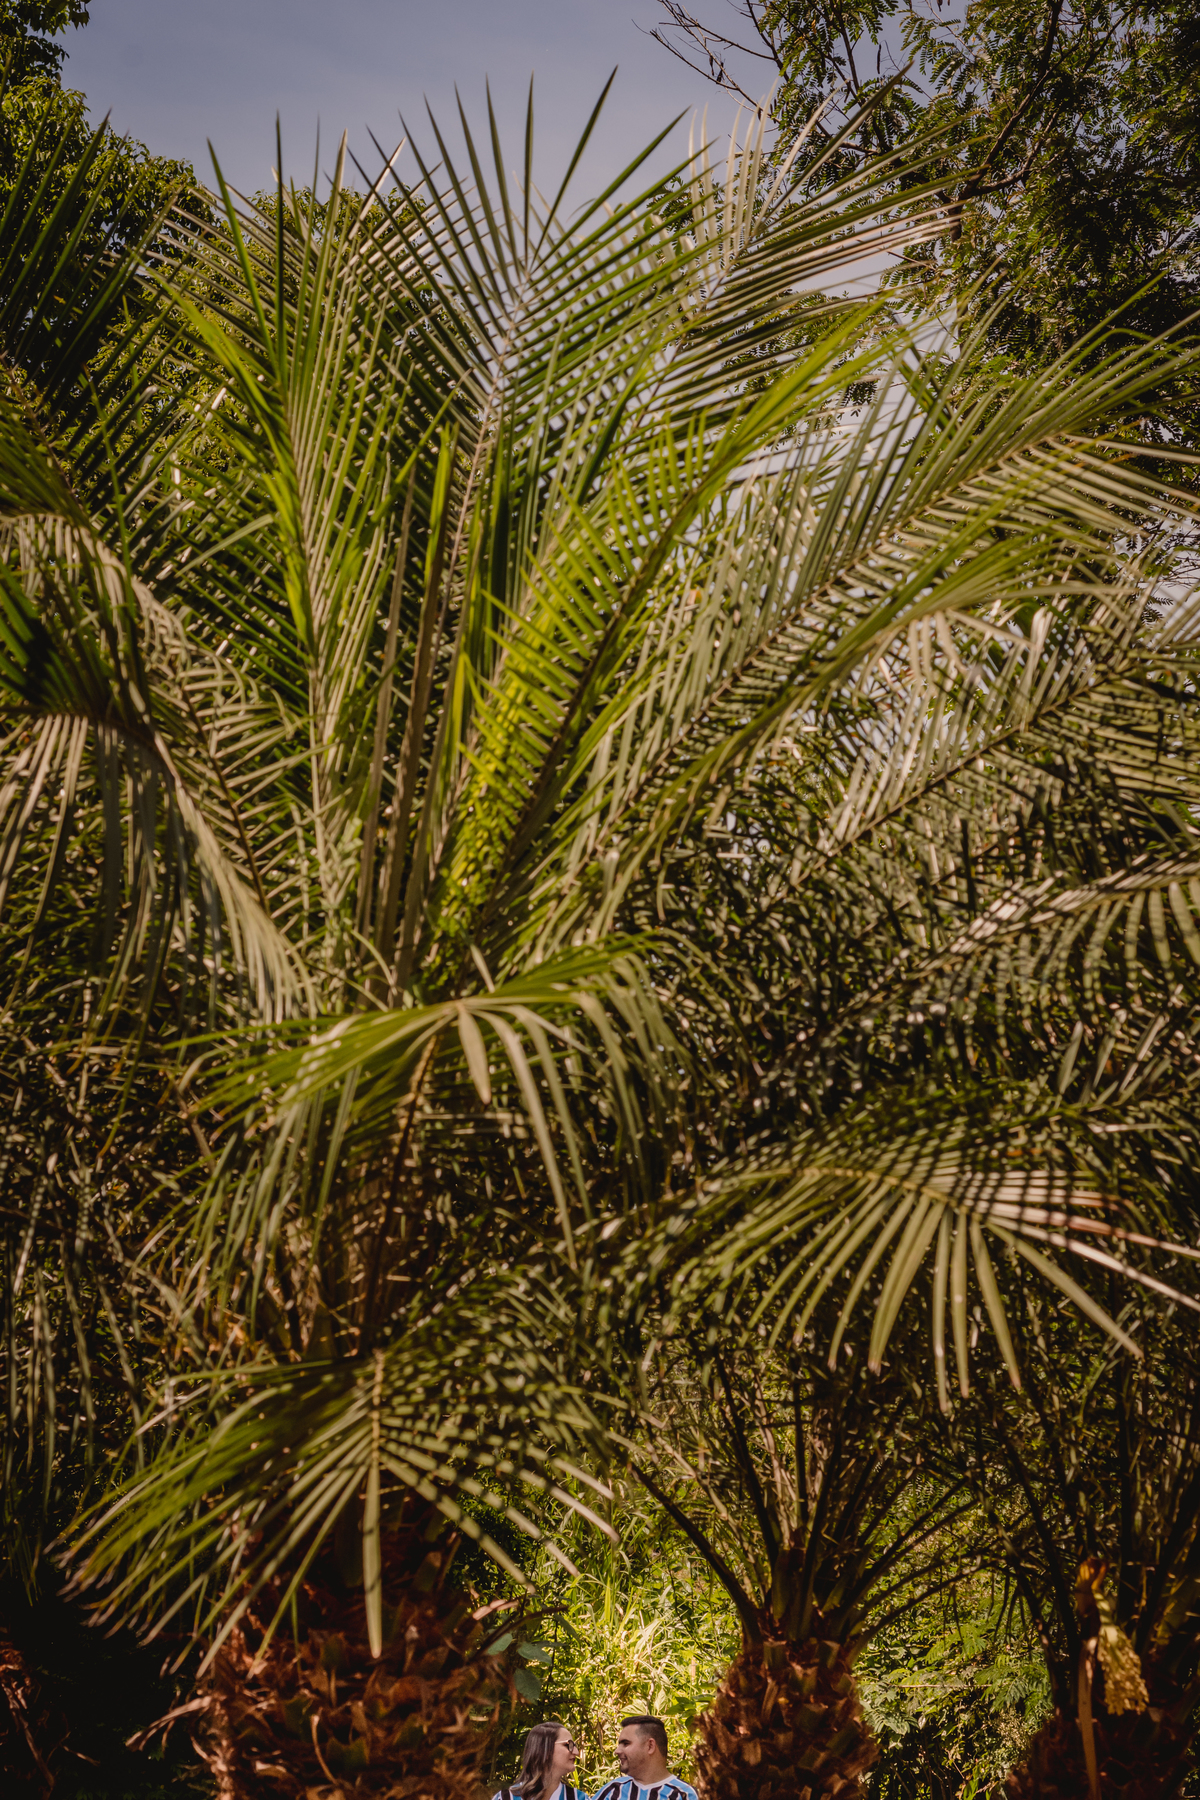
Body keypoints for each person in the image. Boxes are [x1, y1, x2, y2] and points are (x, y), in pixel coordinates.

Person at [591, 1715, 698, 1800]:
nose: (617, 1751)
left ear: (650, 1746)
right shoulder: (613, 1790)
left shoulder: (686, 1795)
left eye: (626, 1743)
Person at [493, 1720, 589, 1800]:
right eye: (568, 1745)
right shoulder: (506, 1798)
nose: (576, 1752)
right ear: (545, 1749)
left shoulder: (580, 1798)